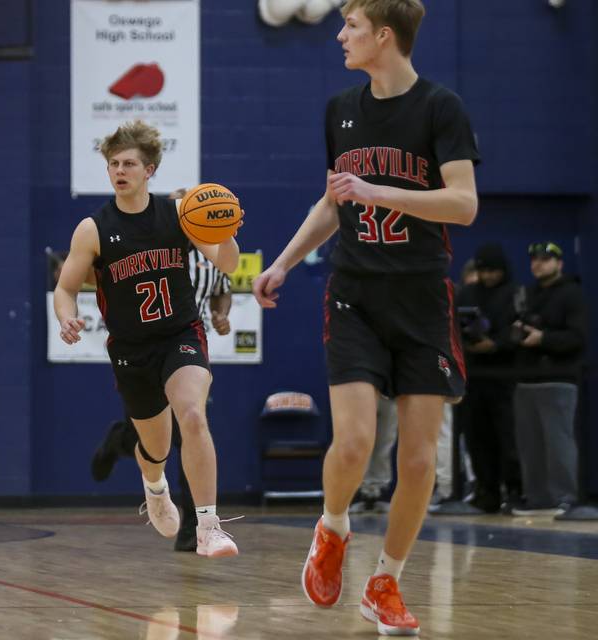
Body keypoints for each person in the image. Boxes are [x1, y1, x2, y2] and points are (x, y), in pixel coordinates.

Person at [253, 0, 479, 634]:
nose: (339, 35)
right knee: (352, 443)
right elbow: (333, 202)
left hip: (422, 300)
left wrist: (380, 192)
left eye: (349, 26)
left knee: (415, 464)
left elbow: (463, 204)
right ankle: (332, 528)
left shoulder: (441, 108)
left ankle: (386, 583)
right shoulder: (341, 110)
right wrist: (283, 263)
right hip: (355, 293)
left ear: (383, 35)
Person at [54, 120, 241, 557]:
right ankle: (155, 488)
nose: (120, 170)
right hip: (131, 349)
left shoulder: (177, 215)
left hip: (181, 333)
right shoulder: (93, 229)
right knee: (154, 448)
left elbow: (229, 264)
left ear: (149, 170)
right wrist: (67, 317)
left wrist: (226, 229)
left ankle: (209, 526)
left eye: (129, 163)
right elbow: (65, 288)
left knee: (193, 416)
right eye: (114, 164)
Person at [91, 188, 234, 552]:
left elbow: (224, 284)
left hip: (183, 340)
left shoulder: (203, 246)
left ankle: (199, 526)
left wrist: (221, 314)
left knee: (192, 422)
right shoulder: (148, 242)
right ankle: (124, 446)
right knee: (157, 440)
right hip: (139, 347)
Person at [511, 241, 587, 516]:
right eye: (534, 259)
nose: (537, 264)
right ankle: (536, 498)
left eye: (545, 259)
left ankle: (564, 497)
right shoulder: (527, 294)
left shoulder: (572, 294)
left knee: (558, 441)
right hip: (526, 378)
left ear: (559, 263)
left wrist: (543, 338)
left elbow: (578, 337)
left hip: (559, 378)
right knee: (529, 444)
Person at [455, 243, 522, 513]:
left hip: (505, 376)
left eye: (493, 271)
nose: (488, 276)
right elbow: (454, 324)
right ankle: (486, 490)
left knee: (508, 438)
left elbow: (518, 328)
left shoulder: (514, 293)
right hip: (475, 376)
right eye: (483, 270)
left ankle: (515, 490)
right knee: (476, 437)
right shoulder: (468, 293)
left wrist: (495, 344)